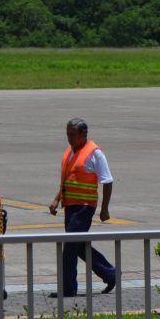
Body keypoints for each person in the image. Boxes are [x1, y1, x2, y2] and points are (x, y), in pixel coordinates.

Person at [48, 117, 117, 297]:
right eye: (67, 135)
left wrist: (105, 208)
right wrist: (57, 199)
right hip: (70, 207)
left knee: (70, 246)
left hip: (85, 207)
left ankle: (68, 288)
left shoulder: (94, 153)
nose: (69, 139)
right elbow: (68, 180)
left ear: (83, 133)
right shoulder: (70, 151)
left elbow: (107, 180)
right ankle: (110, 274)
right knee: (78, 247)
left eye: (72, 135)